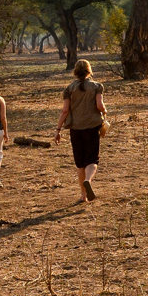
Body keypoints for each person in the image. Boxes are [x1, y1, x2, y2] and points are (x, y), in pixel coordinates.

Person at [54, 59, 106, 202]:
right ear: (89, 70)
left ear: (75, 71)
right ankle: (88, 180)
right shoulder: (96, 86)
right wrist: (105, 111)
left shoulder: (69, 88)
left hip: (75, 128)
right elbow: (99, 105)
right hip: (92, 126)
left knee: (80, 162)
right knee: (92, 159)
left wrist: (58, 130)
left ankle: (83, 196)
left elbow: (64, 111)